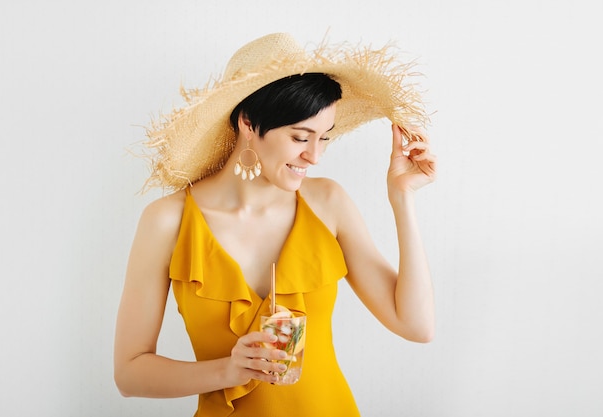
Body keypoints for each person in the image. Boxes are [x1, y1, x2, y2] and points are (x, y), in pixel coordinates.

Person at [114, 32, 436, 417]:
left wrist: (403, 199)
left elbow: (416, 326)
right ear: (248, 122)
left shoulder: (327, 202)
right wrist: (227, 370)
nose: (314, 156)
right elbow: (129, 373)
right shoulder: (168, 220)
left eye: (325, 139)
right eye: (300, 137)